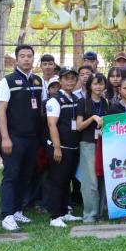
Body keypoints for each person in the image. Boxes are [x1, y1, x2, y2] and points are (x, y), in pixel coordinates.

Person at [0, 44, 46, 232]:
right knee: (11, 176)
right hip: (14, 137)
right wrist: (5, 137)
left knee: (26, 175)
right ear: (16, 59)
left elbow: (41, 109)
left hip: (33, 138)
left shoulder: (38, 81)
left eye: (29, 56)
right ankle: (7, 215)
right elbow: (1, 110)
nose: (26, 59)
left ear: (33, 59)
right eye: (22, 56)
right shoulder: (7, 81)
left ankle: (18, 210)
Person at [45, 68, 82, 227]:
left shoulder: (75, 98)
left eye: (73, 78)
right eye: (66, 78)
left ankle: (65, 212)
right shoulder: (54, 101)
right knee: (58, 181)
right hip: (60, 148)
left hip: (73, 147)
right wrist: (57, 147)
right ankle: (55, 216)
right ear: (60, 81)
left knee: (67, 181)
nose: (70, 81)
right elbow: (52, 125)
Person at [77, 72, 109, 223]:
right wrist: (92, 118)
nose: (98, 87)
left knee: (102, 178)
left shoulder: (106, 102)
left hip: (103, 144)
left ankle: (100, 213)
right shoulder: (83, 102)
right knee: (90, 181)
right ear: (90, 85)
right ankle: (90, 214)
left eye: (101, 84)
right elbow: (79, 126)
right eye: (95, 83)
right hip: (88, 144)